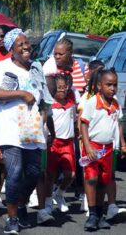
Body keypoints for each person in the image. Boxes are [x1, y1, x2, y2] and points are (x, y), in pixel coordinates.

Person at [0, 28, 50, 234]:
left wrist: (47, 122)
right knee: (13, 172)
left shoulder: (37, 67)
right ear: (11, 49)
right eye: (20, 44)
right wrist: (21, 93)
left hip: (32, 128)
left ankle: (20, 204)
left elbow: (44, 99)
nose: (25, 46)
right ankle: (12, 218)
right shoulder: (3, 67)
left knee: (33, 173)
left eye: (27, 43)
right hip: (10, 128)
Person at [80, 69, 126, 231]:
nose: (112, 88)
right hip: (93, 147)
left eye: (115, 85)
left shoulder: (115, 103)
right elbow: (83, 123)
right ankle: (92, 214)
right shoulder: (92, 102)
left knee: (103, 181)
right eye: (109, 85)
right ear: (100, 86)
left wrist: (122, 143)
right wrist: (87, 146)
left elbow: (118, 124)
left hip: (107, 149)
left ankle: (99, 214)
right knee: (91, 178)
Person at [38, 74, 76, 224]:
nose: (62, 90)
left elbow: (74, 121)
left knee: (71, 174)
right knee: (50, 175)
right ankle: (47, 203)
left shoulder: (71, 104)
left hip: (68, 143)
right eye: (59, 87)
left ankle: (59, 193)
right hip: (54, 143)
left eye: (64, 87)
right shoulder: (49, 104)